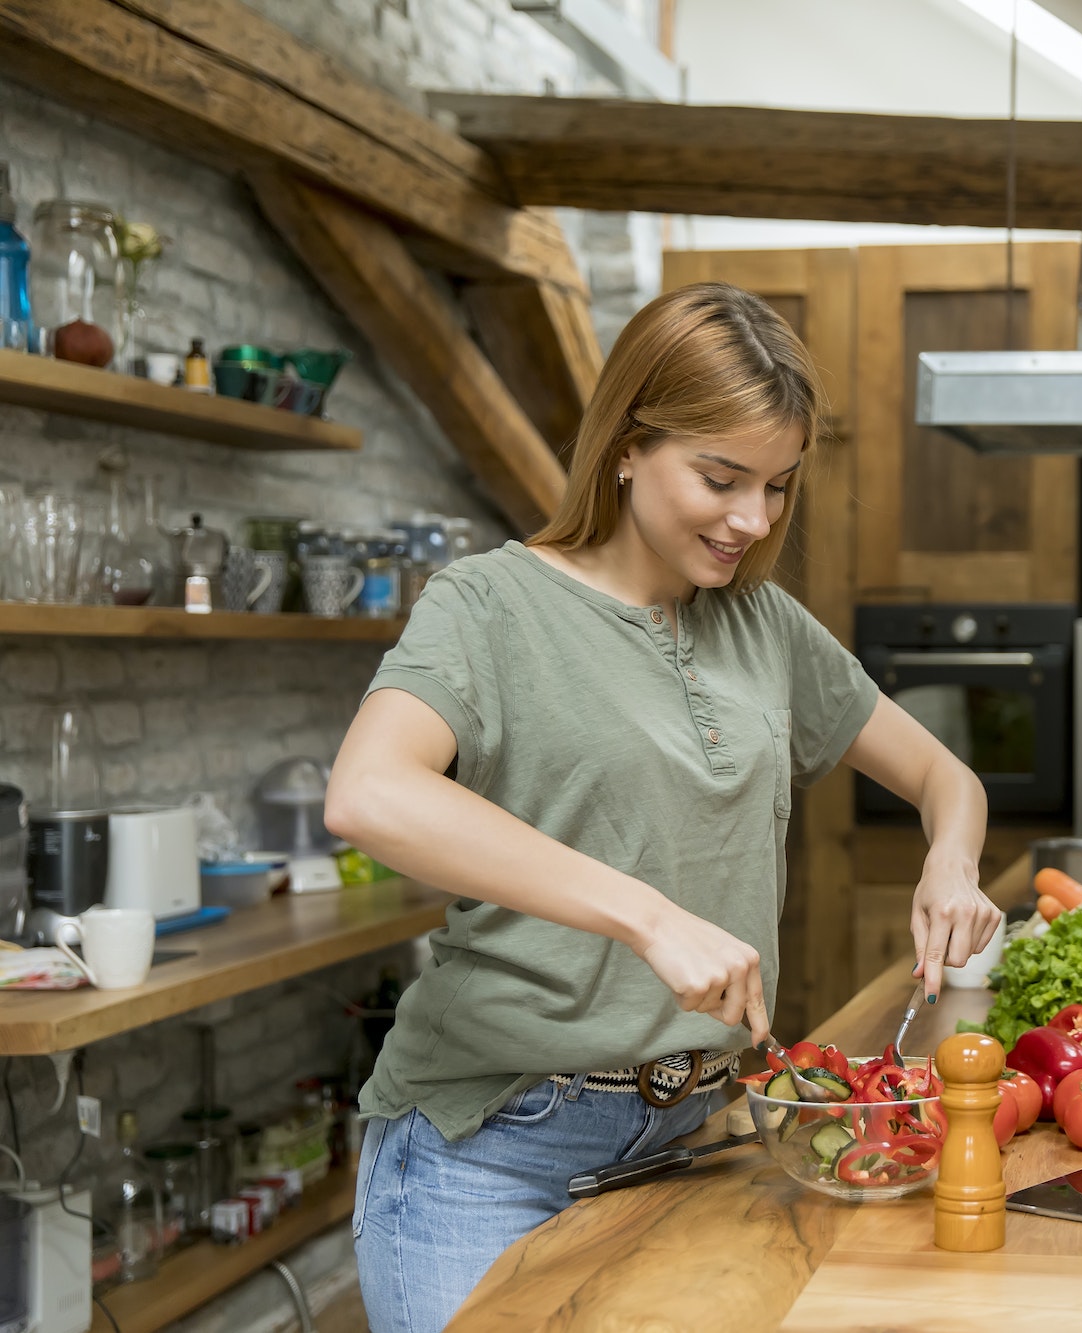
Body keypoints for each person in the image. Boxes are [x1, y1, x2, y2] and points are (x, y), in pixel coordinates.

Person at [325, 283, 1002, 1333]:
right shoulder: (489, 604)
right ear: (628, 445)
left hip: (696, 1138)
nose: (752, 518)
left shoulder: (761, 625)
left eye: (776, 486)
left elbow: (945, 778)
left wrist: (948, 864)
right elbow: (369, 793)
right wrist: (645, 913)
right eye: (720, 477)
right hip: (492, 1147)